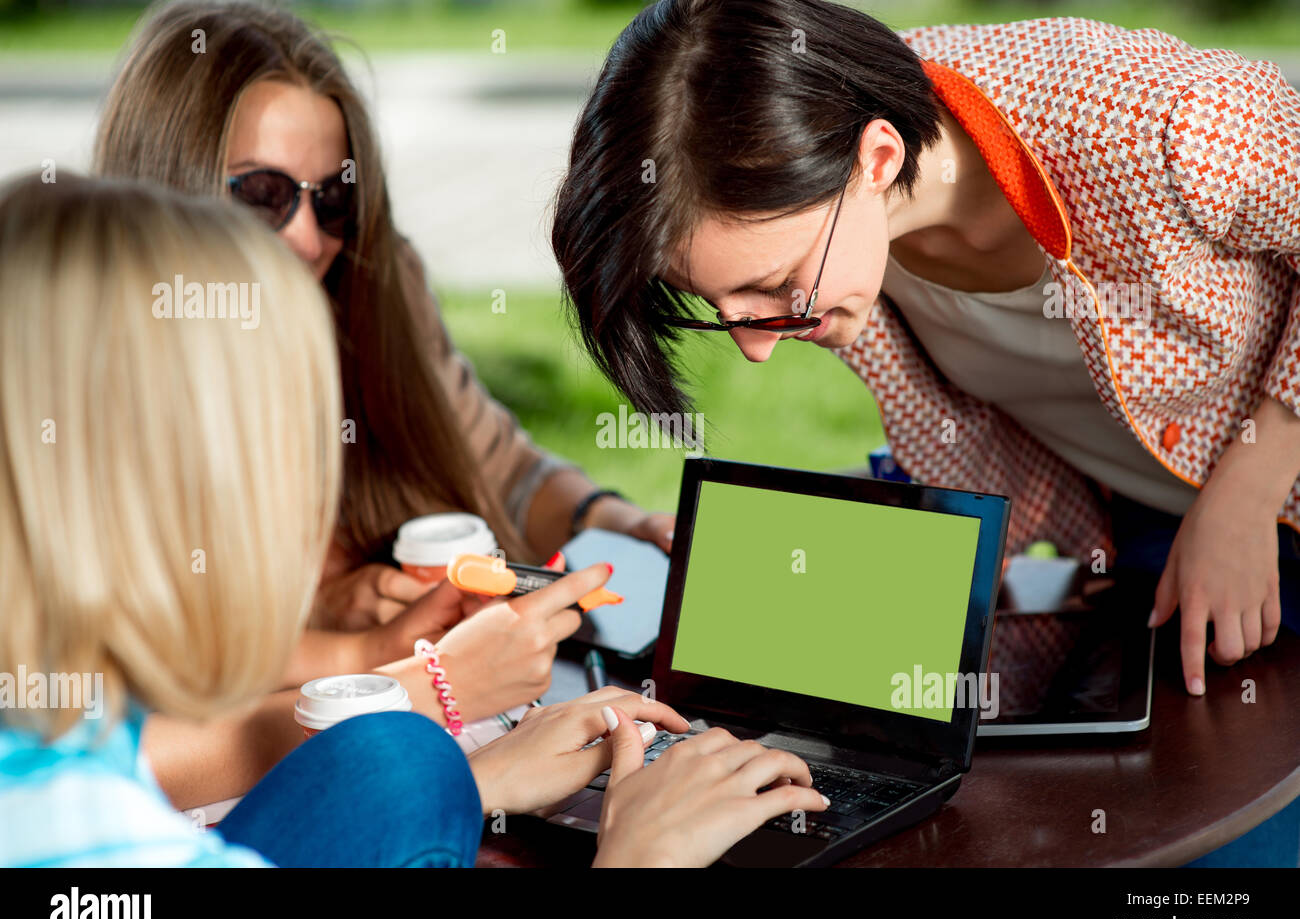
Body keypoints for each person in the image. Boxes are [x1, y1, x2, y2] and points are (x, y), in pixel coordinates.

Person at [550, 0, 1300, 865]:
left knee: (1218, 853)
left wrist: (1248, 486)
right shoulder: (827, 188)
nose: (757, 347)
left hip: (1267, 505)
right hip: (1125, 530)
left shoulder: (1164, 123)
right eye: (723, 310)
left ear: (877, 157)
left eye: (774, 287)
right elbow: (968, 442)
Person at [0, 173, 827, 868]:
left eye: (336, 199)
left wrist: (483, 779)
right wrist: (634, 856)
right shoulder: (103, 851)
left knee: (406, 762)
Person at [92, 0, 678, 805]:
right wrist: (406, 670)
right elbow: (134, 716)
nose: (306, 238)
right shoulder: (80, 376)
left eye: (333, 198)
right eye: (261, 195)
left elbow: (495, 459)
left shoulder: (370, 284)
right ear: (163, 184)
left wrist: (615, 521)